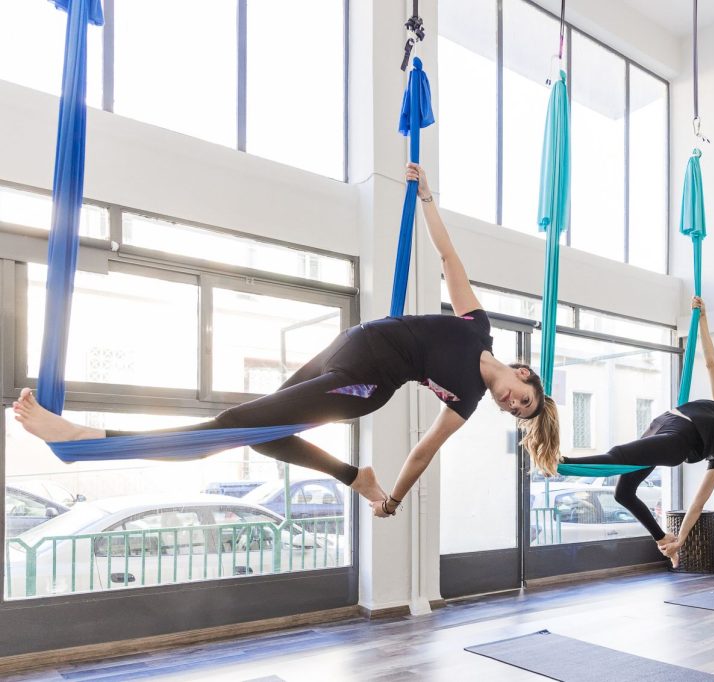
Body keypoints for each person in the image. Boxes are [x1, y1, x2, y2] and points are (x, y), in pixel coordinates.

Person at [13, 163, 561, 518]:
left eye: (516, 412)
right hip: (349, 344)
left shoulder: (464, 397)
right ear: (524, 373)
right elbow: (448, 261)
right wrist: (428, 202)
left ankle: (89, 436)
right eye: (523, 398)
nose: (513, 404)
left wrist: (392, 497)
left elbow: (422, 451)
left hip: (361, 382)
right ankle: (352, 474)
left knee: (232, 427)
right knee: (262, 436)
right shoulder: (477, 326)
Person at [558, 297, 714, 567]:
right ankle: (662, 538)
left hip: (678, 442)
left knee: (620, 456)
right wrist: (703, 319)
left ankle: (560, 464)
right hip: (663, 423)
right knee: (623, 493)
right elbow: (710, 363)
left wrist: (683, 538)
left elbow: (698, 501)